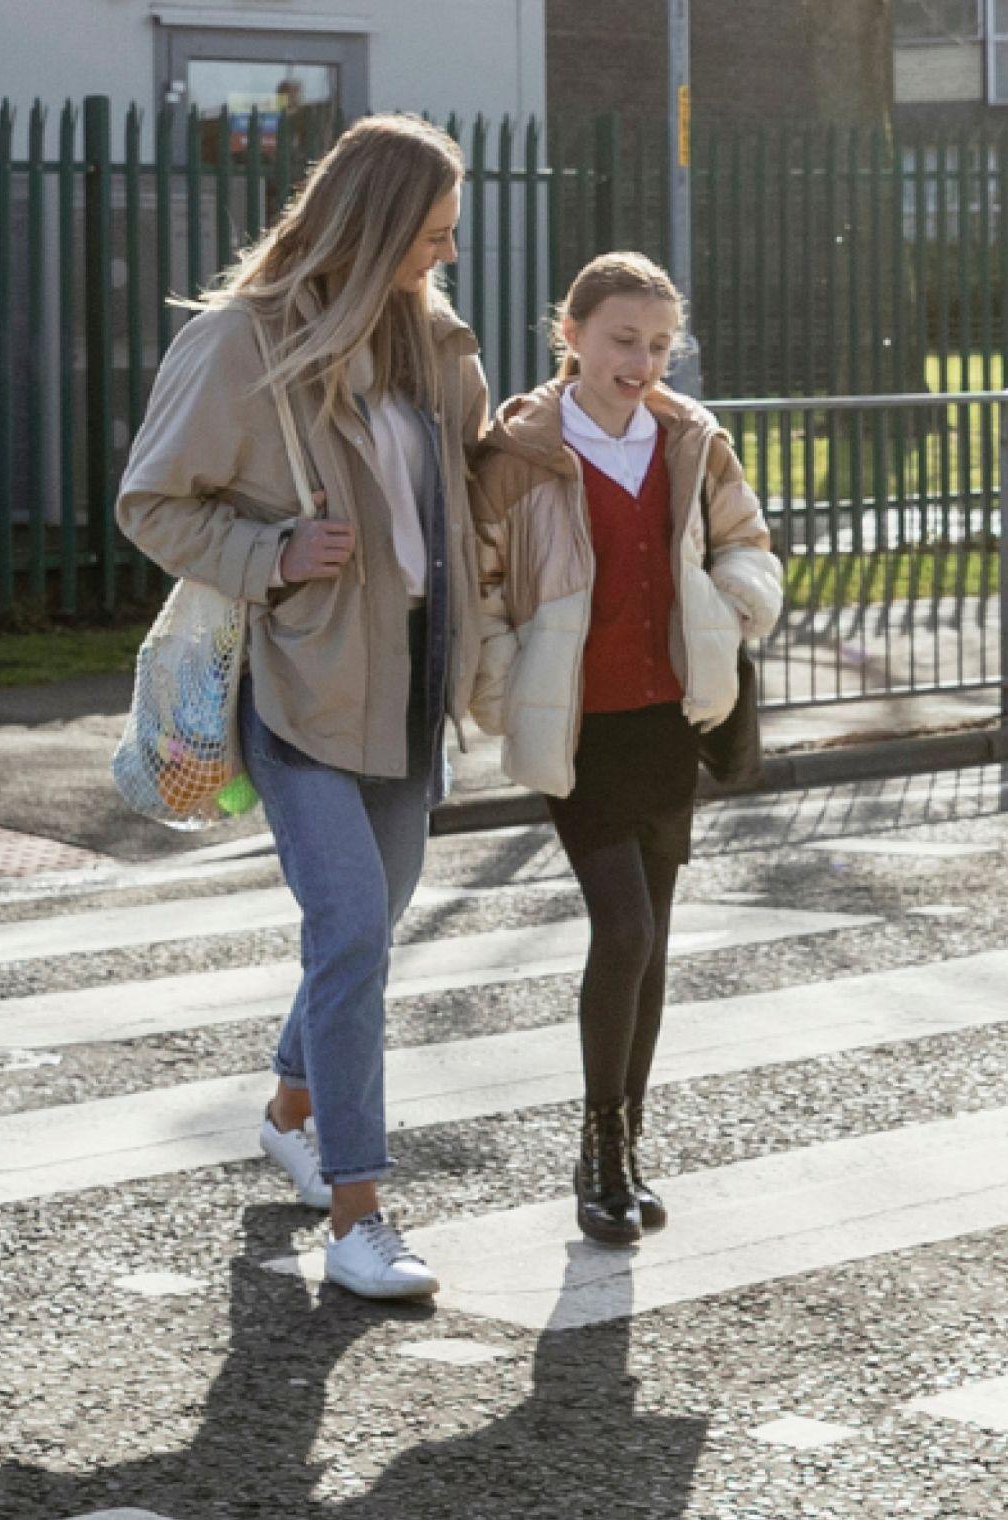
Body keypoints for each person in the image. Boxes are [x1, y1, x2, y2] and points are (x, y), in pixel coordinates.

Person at [116, 112, 497, 1305]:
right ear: (371, 223)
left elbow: (472, 479)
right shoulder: (240, 343)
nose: (442, 256)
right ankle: (358, 1209)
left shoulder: (434, 343)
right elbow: (152, 501)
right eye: (427, 235)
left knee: (366, 933)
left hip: (413, 683)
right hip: (299, 681)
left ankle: (290, 1105)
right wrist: (275, 548)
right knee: (349, 929)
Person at [470, 253, 785, 1245]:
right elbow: (482, 584)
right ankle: (598, 1151)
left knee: (650, 938)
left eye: (658, 344)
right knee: (626, 929)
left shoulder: (691, 437)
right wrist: (500, 685)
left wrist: (730, 610)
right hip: (577, 722)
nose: (641, 361)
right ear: (568, 332)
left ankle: (625, 1143)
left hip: (668, 718)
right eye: (621, 339)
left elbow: (746, 543)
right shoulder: (518, 450)